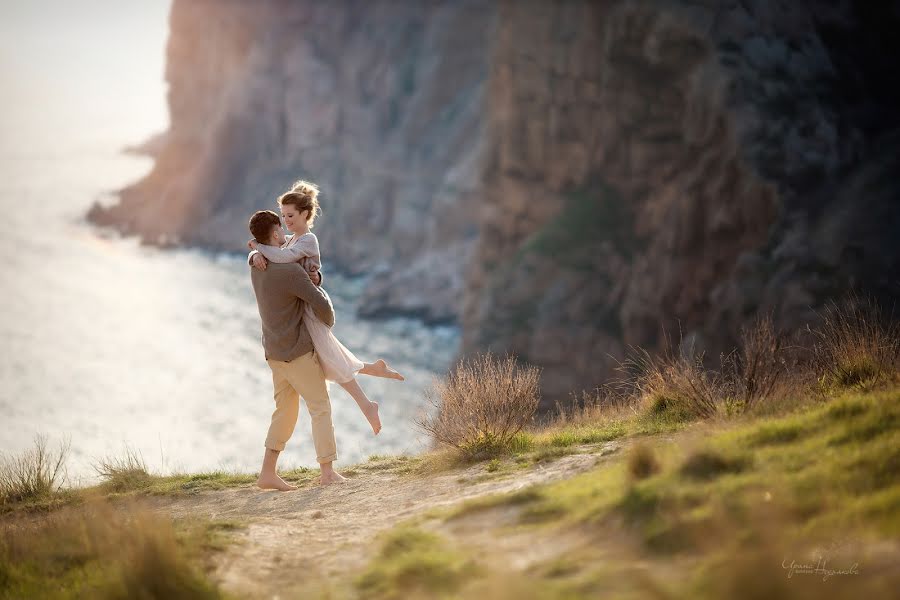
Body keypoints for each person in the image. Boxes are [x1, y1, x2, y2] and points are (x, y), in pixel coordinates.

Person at [248, 180, 404, 436]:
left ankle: (368, 403)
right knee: (329, 358)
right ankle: (373, 374)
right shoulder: (291, 239)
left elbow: (283, 258)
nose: (285, 220)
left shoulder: (308, 240)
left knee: (330, 358)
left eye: (290, 215)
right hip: (304, 306)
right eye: (283, 216)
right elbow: (277, 251)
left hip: (312, 306)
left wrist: (258, 248)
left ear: (305, 214)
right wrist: (254, 254)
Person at [248, 209, 344, 489]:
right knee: (320, 407)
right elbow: (323, 305)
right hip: (296, 352)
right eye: (282, 228)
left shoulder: (257, 264)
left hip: (274, 352)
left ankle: (267, 473)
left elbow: (254, 253)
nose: (286, 232)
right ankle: (327, 472)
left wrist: (254, 251)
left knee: (285, 412)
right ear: (276, 233)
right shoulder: (289, 271)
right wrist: (326, 328)